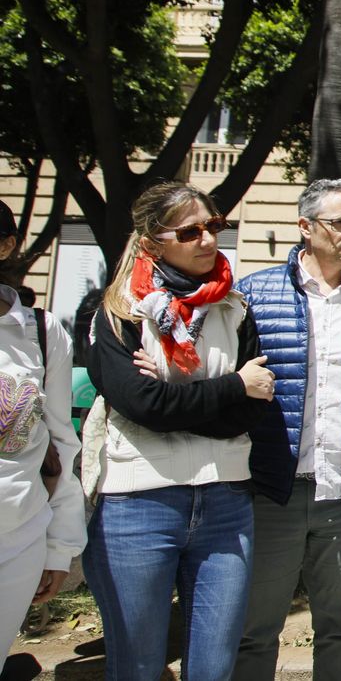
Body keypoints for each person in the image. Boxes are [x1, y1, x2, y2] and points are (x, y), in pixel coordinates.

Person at [81, 181, 274, 681]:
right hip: (138, 503)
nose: (208, 240)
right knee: (138, 666)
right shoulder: (119, 312)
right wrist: (234, 384)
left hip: (225, 501)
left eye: (214, 226)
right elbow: (144, 404)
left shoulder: (235, 307)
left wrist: (179, 398)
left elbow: (250, 413)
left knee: (213, 668)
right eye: (190, 231)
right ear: (152, 242)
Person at [232, 178, 341, 681]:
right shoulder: (254, 295)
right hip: (271, 490)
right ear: (305, 227)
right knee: (255, 629)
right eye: (339, 223)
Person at [0, 200, 84, 650]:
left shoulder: (42, 332)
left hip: (15, 541)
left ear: (6, 246)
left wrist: (58, 548)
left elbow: (60, 443)